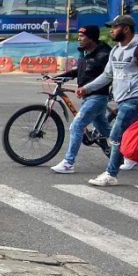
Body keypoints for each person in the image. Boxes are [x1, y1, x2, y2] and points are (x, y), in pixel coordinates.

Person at [77, 14, 138, 186]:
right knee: (131, 140)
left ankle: (110, 174)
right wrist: (87, 88)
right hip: (122, 100)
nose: (111, 31)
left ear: (126, 29)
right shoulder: (116, 50)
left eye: (114, 28)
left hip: (136, 99)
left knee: (115, 135)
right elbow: (108, 75)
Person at [49, 25, 112, 174]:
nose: (79, 39)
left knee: (76, 126)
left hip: (97, 97)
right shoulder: (87, 54)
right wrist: (58, 77)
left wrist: (86, 88)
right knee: (107, 131)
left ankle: (68, 163)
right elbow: (79, 71)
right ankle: (130, 150)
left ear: (91, 38)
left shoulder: (103, 56)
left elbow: (107, 76)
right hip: (88, 97)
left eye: (82, 36)